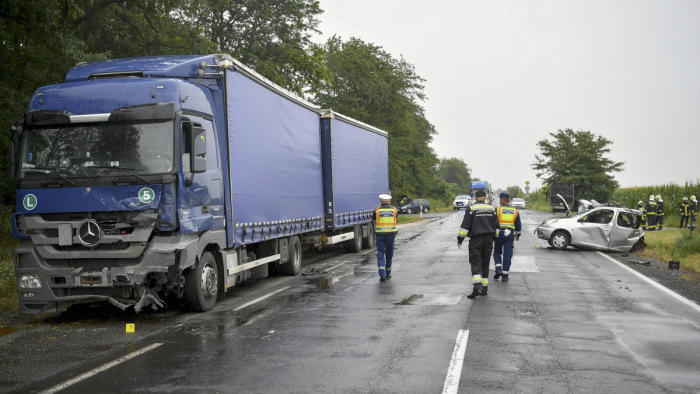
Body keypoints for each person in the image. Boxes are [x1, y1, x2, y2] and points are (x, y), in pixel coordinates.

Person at [457, 189, 499, 299]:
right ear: (485, 197)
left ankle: (477, 287)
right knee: (485, 264)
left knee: (476, 262)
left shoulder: (471, 208)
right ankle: (484, 289)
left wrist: (460, 239)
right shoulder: (492, 209)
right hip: (489, 239)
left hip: (476, 240)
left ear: (475, 198)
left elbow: (465, 226)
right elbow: (497, 226)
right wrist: (494, 237)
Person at [493, 193, 522, 282]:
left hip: (499, 234)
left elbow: (492, 222)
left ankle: (498, 269)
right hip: (510, 235)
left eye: (500, 200)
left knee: (497, 251)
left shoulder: (497, 210)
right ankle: (505, 276)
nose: (499, 201)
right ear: (508, 200)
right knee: (507, 255)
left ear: (502, 200)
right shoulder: (515, 211)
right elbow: (518, 225)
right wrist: (518, 235)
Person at [372, 194, 398, 282]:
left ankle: (382, 275)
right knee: (389, 254)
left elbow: (372, 219)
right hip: (391, 235)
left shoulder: (377, 210)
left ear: (381, 201)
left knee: (380, 253)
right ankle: (388, 273)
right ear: (389, 201)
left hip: (380, 235)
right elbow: (396, 218)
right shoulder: (394, 210)